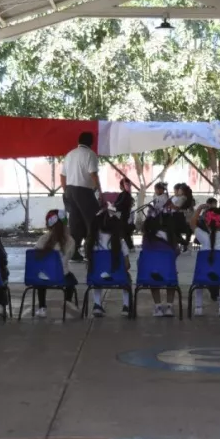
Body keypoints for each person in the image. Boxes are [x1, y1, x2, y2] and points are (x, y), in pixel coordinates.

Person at [189, 204, 220, 317]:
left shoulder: (203, 237)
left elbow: (192, 223)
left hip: (203, 277)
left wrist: (199, 208)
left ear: (207, 223)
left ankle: (198, 307)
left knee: (199, 281)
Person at [60, 132, 101, 262]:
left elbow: (62, 175)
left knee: (75, 223)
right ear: (91, 142)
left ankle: (74, 252)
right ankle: (90, 252)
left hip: (70, 191)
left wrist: (66, 190)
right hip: (84, 191)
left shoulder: (70, 154)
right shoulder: (90, 154)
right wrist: (99, 191)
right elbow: (93, 174)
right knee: (93, 221)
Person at [85, 206, 131, 318]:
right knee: (127, 279)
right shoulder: (120, 243)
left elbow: (88, 265)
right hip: (118, 277)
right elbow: (127, 265)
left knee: (96, 274)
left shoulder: (91, 243)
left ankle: (97, 305)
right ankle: (126, 306)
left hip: (97, 278)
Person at [140, 214, 179, 317]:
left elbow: (145, 253)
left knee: (153, 277)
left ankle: (158, 307)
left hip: (152, 271)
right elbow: (176, 251)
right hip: (168, 270)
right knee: (171, 276)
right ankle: (170, 306)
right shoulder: (170, 235)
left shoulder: (147, 238)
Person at [115, 177, 135, 251]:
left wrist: (114, 205)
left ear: (122, 186)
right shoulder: (125, 194)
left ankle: (130, 246)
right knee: (123, 231)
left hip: (123, 215)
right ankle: (129, 246)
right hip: (123, 215)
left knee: (123, 231)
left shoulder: (125, 194)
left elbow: (119, 204)